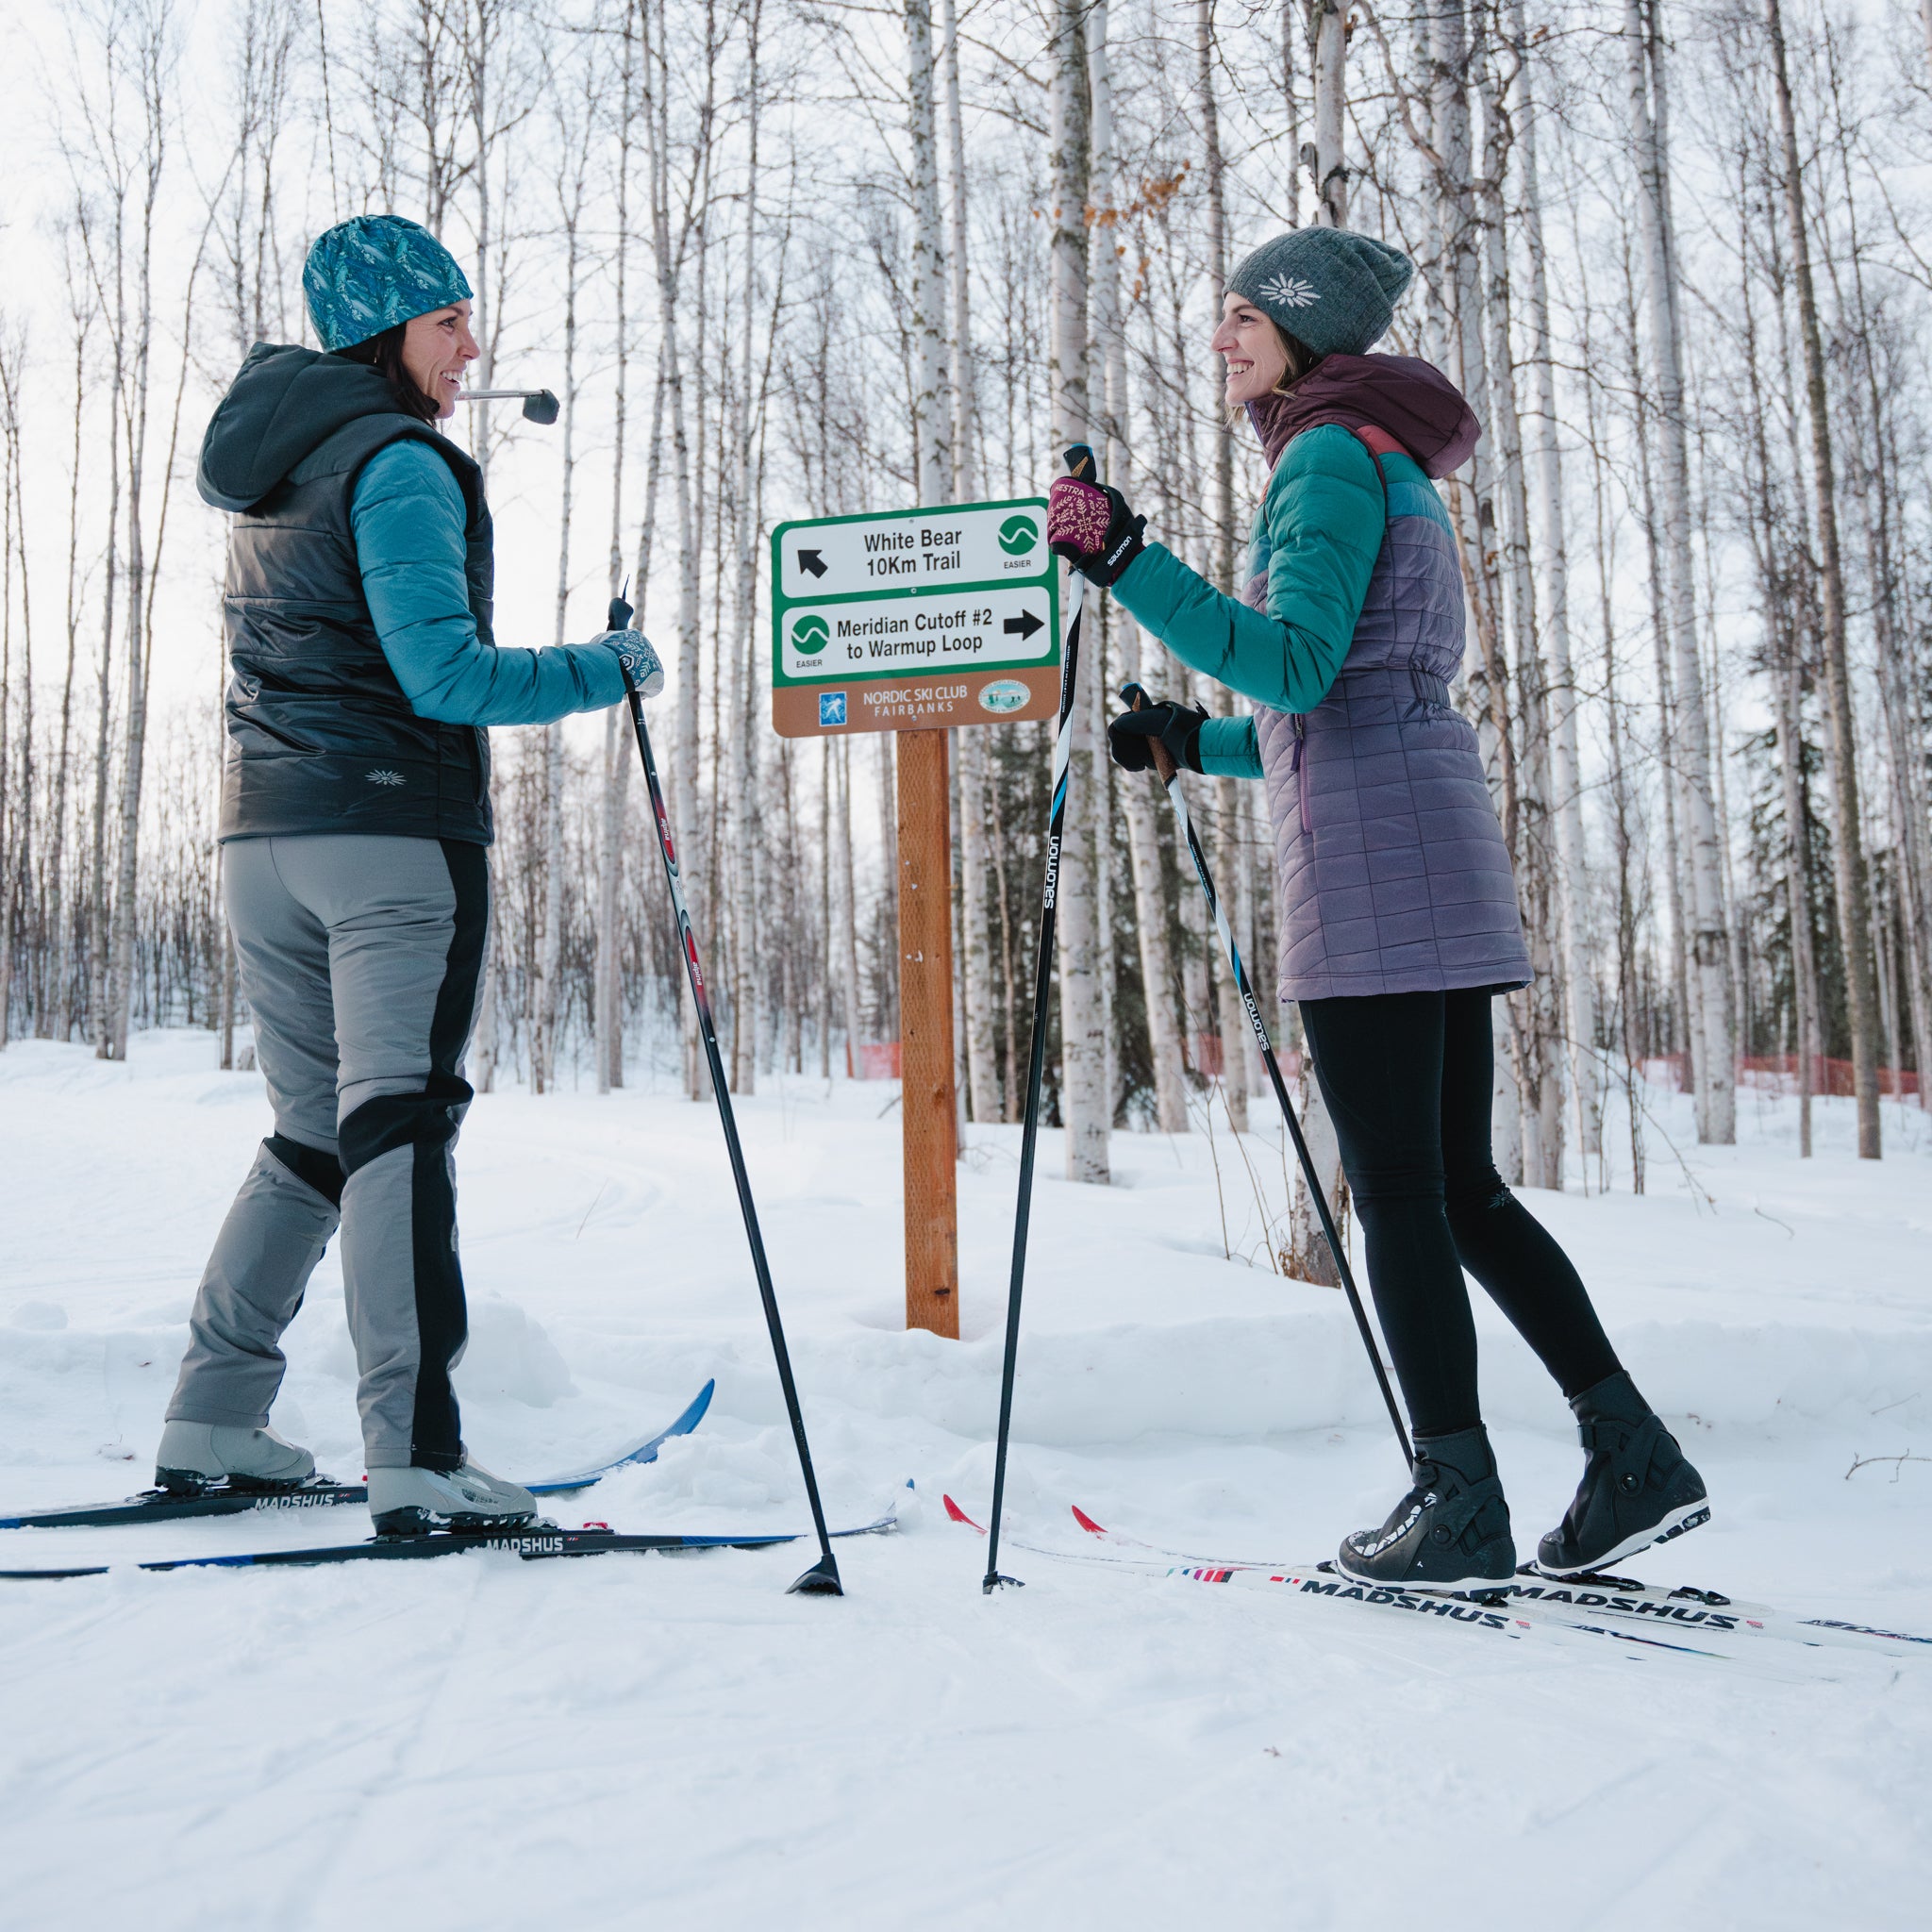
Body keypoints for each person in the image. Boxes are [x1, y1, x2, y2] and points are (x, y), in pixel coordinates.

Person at [1045, 225, 1707, 1591]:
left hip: (1372, 871)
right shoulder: (1369, 454)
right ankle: (1628, 1447)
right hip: (1416, 839)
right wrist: (1188, 737)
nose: (1220, 337)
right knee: (1457, 1190)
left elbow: (1293, 670)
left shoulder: (1328, 454)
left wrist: (1130, 565)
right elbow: (1338, 697)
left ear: (1304, 331)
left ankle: (1456, 1494)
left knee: (1402, 1195)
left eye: (1242, 316)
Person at [156, 214, 664, 1537]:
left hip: (262, 841)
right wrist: (606, 670)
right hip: (389, 847)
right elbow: (445, 678)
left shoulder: (274, 474)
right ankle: (418, 1455)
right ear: (389, 332)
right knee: (396, 1133)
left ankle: (214, 1413)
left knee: (313, 1136)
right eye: (449, 323)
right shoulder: (401, 466)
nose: (472, 345)